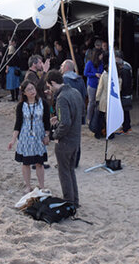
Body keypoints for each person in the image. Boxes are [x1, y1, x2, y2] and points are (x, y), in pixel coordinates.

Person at [45, 70, 84, 208]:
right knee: (70, 170)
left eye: (49, 86)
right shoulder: (75, 92)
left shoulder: (62, 97)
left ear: (53, 83)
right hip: (76, 140)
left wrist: (54, 135)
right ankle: (75, 200)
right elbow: (75, 116)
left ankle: (69, 201)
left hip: (65, 141)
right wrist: (60, 119)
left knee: (64, 172)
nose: (49, 89)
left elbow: (66, 123)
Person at [8, 80, 51, 192]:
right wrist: (13, 140)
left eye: (33, 88)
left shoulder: (43, 103)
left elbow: (47, 122)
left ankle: (41, 186)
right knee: (26, 163)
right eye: (29, 89)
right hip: (25, 137)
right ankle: (28, 185)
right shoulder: (21, 105)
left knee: (39, 163)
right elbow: (18, 124)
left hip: (39, 136)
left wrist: (47, 135)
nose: (32, 91)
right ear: (24, 93)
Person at [84, 49, 104, 126]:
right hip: (92, 85)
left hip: (99, 84)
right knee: (91, 102)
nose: (102, 56)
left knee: (97, 102)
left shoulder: (101, 63)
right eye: (101, 55)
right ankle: (89, 118)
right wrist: (94, 74)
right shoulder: (89, 63)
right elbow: (85, 73)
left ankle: (95, 118)